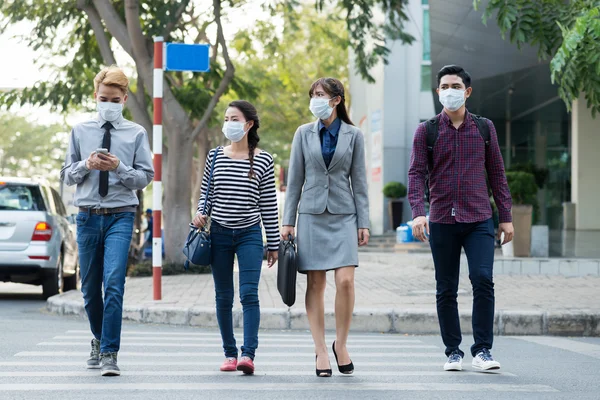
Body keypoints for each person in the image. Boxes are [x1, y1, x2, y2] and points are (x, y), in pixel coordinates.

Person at [408, 65, 514, 372]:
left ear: (467, 92)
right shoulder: (426, 130)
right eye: (444, 86)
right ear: (438, 91)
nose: (449, 91)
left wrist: (505, 217)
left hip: (479, 217)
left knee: (482, 279)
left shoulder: (484, 128)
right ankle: (453, 351)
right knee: (446, 287)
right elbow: (416, 174)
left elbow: (497, 172)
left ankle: (482, 350)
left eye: (455, 86)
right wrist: (418, 213)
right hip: (441, 218)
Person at [60, 66, 154, 376]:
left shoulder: (136, 133)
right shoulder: (80, 131)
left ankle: (110, 352)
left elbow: (145, 178)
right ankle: (98, 340)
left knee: (113, 283)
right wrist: (86, 164)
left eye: (115, 99)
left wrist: (119, 167)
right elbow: (65, 176)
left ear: (124, 99)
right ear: (96, 97)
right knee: (89, 288)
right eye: (104, 98)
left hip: (120, 215)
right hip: (87, 217)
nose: (109, 104)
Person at [281, 78, 370, 378]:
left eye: (320, 95)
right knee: (316, 284)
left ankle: (340, 345)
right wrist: (288, 221)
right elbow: (294, 181)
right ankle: (320, 350)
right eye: (312, 95)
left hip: (345, 214)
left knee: (346, 281)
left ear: (336, 100)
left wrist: (364, 222)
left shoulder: (354, 135)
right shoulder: (303, 134)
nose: (314, 100)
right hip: (311, 215)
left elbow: (360, 182)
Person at [192, 100, 279, 375]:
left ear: (248, 124)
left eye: (234, 118)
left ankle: (248, 355)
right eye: (227, 118)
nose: (229, 123)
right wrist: (199, 213)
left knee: (249, 294)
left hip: (250, 234)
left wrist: (273, 244)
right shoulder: (215, 156)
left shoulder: (264, 159)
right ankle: (229, 353)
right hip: (217, 233)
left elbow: (268, 204)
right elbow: (206, 192)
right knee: (223, 296)